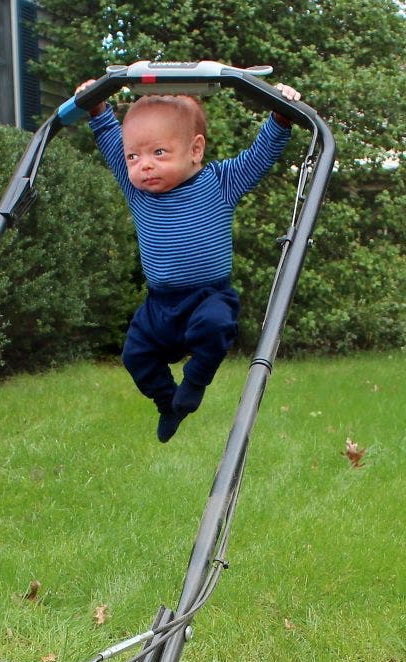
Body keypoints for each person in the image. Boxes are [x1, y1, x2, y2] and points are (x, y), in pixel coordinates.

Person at [75, 79, 301, 441]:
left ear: (195, 150)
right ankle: (169, 403)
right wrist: (97, 107)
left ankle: (194, 385)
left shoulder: (220, 183)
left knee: (215, 327)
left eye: (159, 153)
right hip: (160, 305)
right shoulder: (138, 191)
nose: (144, 166)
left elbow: (259, 156)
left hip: (207, 296)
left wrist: (280, 116)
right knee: (135, 355)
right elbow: (109, 139)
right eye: (134, 156)